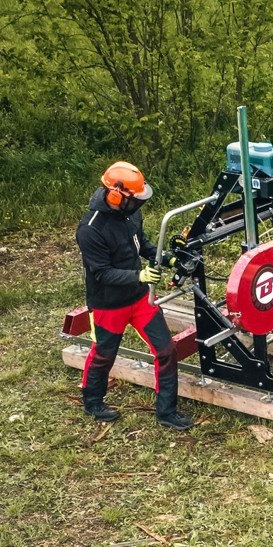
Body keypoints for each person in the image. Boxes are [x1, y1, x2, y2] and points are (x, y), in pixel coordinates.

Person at [76, 161, 194, 431]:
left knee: (166, 350)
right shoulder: (90, 229)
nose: (139, 203)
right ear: (117, 196)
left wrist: (167, 259)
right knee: (104, 353)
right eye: (135, 198)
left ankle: (167, 411)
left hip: (140, 299)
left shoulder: (131, 216)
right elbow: (102, 274)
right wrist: (138, 276)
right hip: (108, 304)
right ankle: (93, 401)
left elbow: (142, 245)